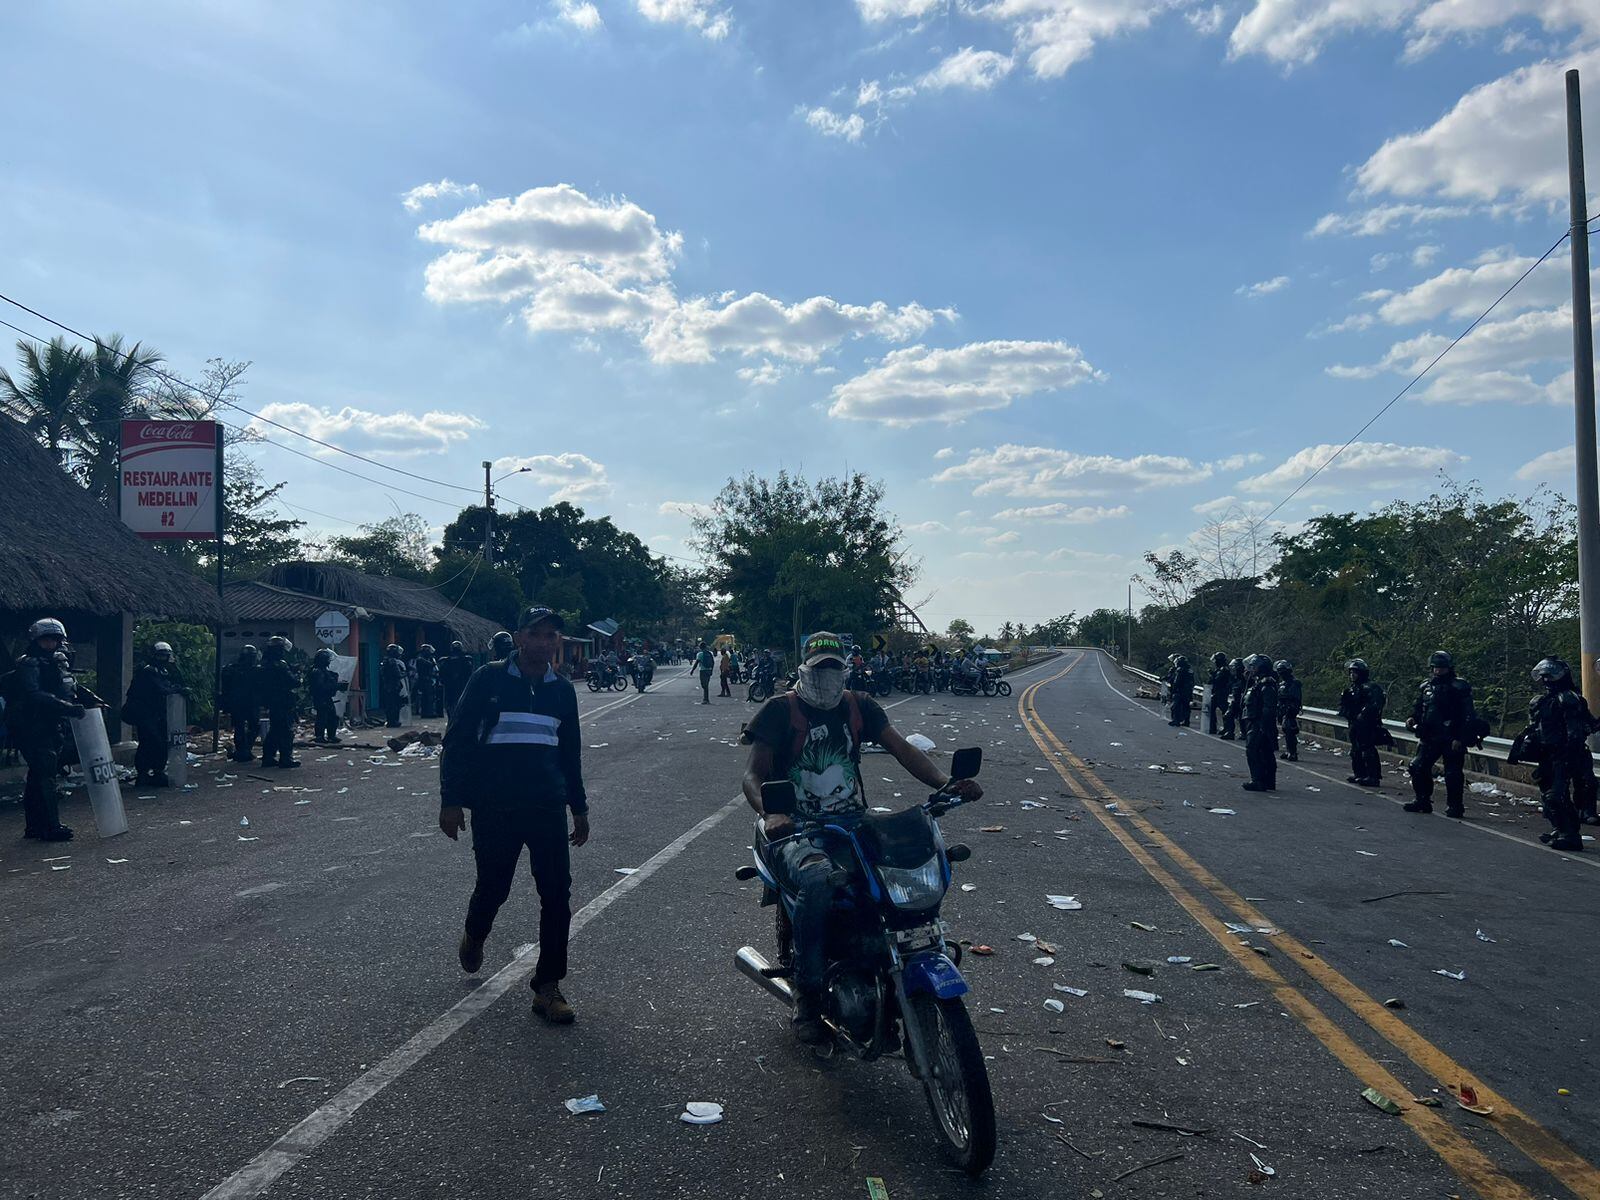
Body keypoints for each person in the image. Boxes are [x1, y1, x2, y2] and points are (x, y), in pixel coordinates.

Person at [741, 631, 983, 1043]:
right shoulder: (779, 711)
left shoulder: (860, 706)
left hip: (852, 822)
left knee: (901, 871)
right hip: (796, 830)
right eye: (820, 667)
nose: (828, 675)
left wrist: (946, 783)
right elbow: (752, 775)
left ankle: (885, 964)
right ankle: (809, 996)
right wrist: (772, 812)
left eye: (835, 667)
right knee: (819, 882)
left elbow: (902, 749)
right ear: (805, 666)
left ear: (845, 667)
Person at [440, 605, 589, 1024]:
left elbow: (569, 753)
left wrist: (578, 807)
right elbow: (458, 741)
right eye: (536, 634)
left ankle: (548, 987)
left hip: (546, 806)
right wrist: (451, 800)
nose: (544, 642)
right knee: (493, 887)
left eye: (551, 635)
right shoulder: (487, 679)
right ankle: (475, 932)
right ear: (520, 638)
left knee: (557, 896)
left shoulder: (561, 690)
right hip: (495, 806)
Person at [11, 619, 104, 841]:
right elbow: (34, 695)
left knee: (38, 777)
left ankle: (34, 826)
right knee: (46, 777)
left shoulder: (55, 663)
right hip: (34, 726)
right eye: (46, 639)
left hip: (51, 724)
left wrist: (90, 698)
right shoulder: (30, 664)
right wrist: (68, 708)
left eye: (54, 639)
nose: (51, 643)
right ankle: (51, 827)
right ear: (36, 640)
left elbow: (69, 685)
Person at [1512, 658, 1588, 853]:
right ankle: (1562, 829)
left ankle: (1570, 835)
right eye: (1543, 675)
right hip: (1546, 754)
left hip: (1564, 754)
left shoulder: (1569, 699)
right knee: (1550, 796)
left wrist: (1570, 754)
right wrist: (1523, 744)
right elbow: (1534, 727)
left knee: (1556, 795)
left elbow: (1575, 731)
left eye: (1549, 675)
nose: (1546, 679)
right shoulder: (1542, 701)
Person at [1405, 650, 1475, 818]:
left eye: (1441, 668)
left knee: (1452, 773)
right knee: (1417, 766)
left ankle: (1455, 806)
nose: (1438, 671)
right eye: (1435, 667)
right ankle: (1422, 800)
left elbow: (1467, 715)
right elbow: (1419, 707)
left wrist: (1460, 738)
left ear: (1449, 668)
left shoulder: (1459, 687)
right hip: (1429, 735)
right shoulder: (1426, 686)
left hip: (1451, 736)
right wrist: (1412, 719)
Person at [123, 641, 187, 788]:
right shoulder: (147, 671)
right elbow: (160, 688)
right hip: (144, 713)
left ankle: (158, 772)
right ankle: (143, 774)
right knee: (149, 742)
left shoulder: (163, 671)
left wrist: (178, 688)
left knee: (161, 742)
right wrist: (177, 689)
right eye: (160, 656)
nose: (163, 659)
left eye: (165, 656)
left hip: (158, 713)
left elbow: (169, 686)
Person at [1338, 658, 1386, 787]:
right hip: (1354, 723)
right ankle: (1359, 773)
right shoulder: (1352, 689)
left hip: (1367, 724)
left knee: (1367, 749)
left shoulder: (1371, 688)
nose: (1352, 675)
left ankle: (1373, 776)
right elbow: (1346, 705)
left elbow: (1375, 706)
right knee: (1355, 749)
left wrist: (1363, 716)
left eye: (1355, 672)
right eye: (1351, 672)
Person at [259, 636, 301, 769]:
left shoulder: (264, 664)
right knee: (286, 731)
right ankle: (285, 758)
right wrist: (298, 676)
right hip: (283, 701)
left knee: (275, 730)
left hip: (272, 701)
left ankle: (268, 757)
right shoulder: (280, 664)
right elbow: (292, 681)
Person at [1240, 653, 1278, 792]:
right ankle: (1268, 781)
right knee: (1264, 751)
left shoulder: (1267, 684)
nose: (1252, 669)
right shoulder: (1259, 683)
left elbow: (1268, 708)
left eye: (1255, 666)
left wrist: (1263, 726)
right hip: (1256, 722)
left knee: (1253, 751)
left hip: (1259, 722)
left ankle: (1258, 780)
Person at [221, 644, 261, 762]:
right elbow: (226, 688)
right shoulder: (233, 669)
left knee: (251, 726)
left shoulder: (253, 669)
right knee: (242, 727)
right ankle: (242, 750)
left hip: (248, 702)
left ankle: (245, 750)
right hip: (241, 702)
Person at [307, 648, 348, 744]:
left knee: (332, 716)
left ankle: (331, 735)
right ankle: (320, 736)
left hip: (326, 697)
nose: (328, 661)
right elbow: (322, 687)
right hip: (321, 697)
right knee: (322, 717)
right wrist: (337, 686)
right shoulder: (317, 672)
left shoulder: (323, 671)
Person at [1275, 660, 1303, 761]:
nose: (1280, 673)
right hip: (1283, 709)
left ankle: (1293, 752)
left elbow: (1295, 697)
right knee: (1286, 730)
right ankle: (1288, 751)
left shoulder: (1294, 683)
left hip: (1290, 709)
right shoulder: (1283, 683)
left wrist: (1290, 706)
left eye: (1282, 671)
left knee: (1290, 730)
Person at [441, 640, 473, 720]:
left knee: (451, 705)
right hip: (459, 687)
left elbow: (442, 675)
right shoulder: (466, 660)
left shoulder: (446, 661)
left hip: (453, 687)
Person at [380, 643, 407, 728]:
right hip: (394, 686)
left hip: (387, 686)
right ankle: (394, 721)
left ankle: (390, 721)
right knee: (395, 705)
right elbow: (398, 674)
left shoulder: (385, 661)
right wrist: (404, 674)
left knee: (389, 705)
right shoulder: (392, 661)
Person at [1221, 658, 1245, 740]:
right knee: (1228, 715)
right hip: (1235, 700)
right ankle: (1230, 732)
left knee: (1243, 718)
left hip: (1242, 702)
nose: (1233, 670)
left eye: (1235, 668)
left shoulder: (1245, 679)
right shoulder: (1235, 678)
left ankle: (1243, 733)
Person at [1167, 655, 1194, 727]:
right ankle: (1186, 721)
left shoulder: (1180, 670)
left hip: (1180, 690)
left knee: (1175, 706)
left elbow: (1177, 681)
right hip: (1188, 691)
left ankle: (1176, 720)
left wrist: (1174, 690)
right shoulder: (1189, 670)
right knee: (1186, 706)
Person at [414, 644, 440, 718]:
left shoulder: (428, 658)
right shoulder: (420, 659)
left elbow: (435, 669)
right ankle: (426, 713)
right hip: (424, 679)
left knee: (430, 697)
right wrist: (432, 662)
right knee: (426, 697)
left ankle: (429, 712)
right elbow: (429, 665)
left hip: (429, 679)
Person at [1206, 652, 1229, 735]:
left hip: (1221, 693)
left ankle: (1227, 729)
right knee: (1211, 709)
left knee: (1225, 711)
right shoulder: (1219, 669)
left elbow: (1217, 681)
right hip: (1217, 692)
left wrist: (1212, 676)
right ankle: (1212, 727)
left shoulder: (1224, 669)